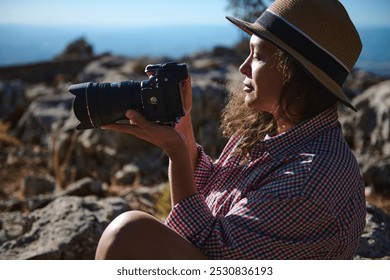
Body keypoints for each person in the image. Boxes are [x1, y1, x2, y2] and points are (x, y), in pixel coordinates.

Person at [95, 0, 366, 259]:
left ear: (294, 74)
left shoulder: (308, 178)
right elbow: (212, 192)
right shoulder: (269, 127)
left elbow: (212, 248)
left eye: (258, 56)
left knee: (128, 233)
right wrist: (183, 132)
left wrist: (176, 153)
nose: (243, 67)